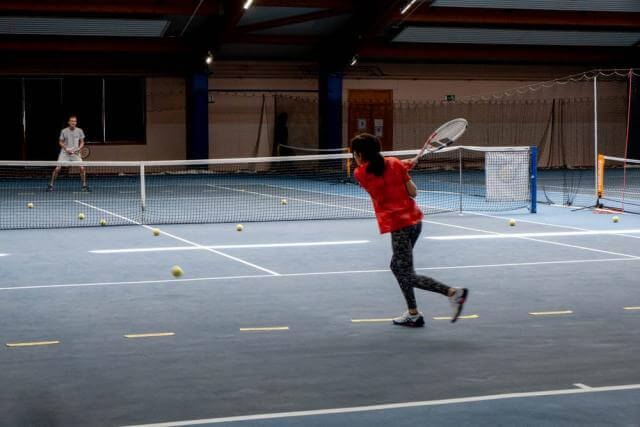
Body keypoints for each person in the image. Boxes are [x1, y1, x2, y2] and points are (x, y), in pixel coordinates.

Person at [351, 133, 468, 327]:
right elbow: (413, 191)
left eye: (354, 153)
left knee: (406, 274)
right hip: (415, 223)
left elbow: (379, 174)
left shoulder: (361, 174)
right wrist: (402, 169)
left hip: (399, 227)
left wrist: (402, 168)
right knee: (397, 267)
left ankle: (453, 293)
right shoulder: (395, 164)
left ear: (360, 155)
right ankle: (413, 313)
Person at [48, 115, 89, 192]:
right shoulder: (64, 131)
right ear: (69, 122)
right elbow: (60, 141)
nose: (73, 122)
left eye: (75, 121)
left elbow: (82, 142)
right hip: (64, 153)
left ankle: (84, 186)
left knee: (82, 168)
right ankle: (51, 185)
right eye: (72, 121)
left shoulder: (80, 131)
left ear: (76, 123)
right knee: (57, 168)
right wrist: (66, 148)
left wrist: (78, 148)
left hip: (76, 153)